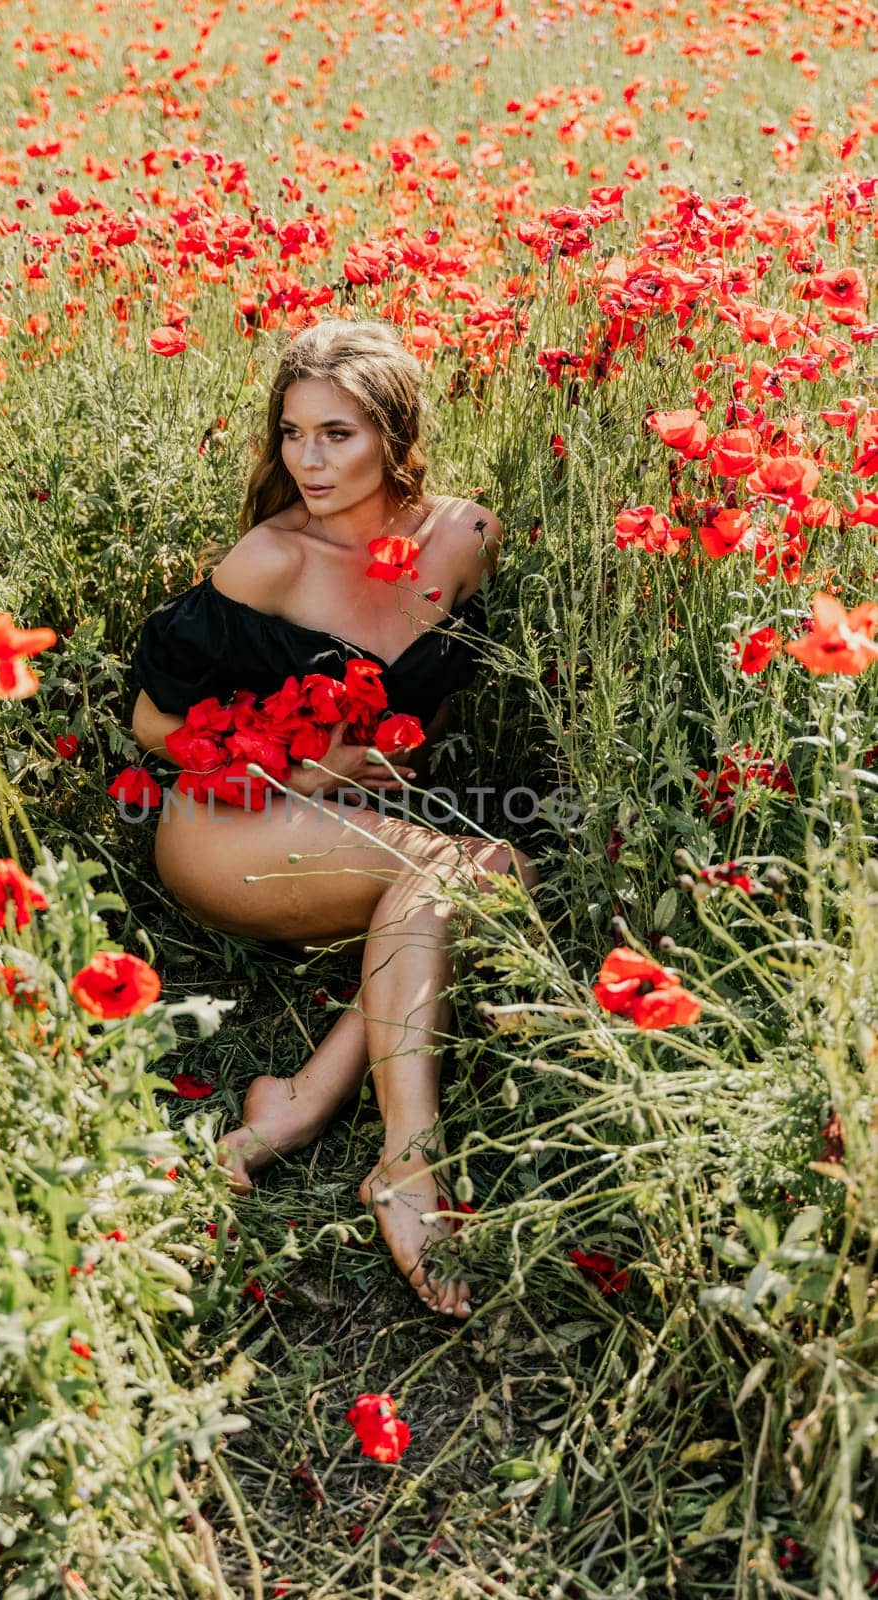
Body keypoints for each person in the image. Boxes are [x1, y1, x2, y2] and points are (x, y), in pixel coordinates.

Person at [131, 319, 536, 1319]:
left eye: (337, 434)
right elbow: (150, 720)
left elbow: (434, 701)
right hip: (229, 823)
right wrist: (312, 767)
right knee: (457, 874)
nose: (307, 460)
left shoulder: (464, 537)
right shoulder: (269, 560)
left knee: (496, 871)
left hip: (354, 829)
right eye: (291, 433)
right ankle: (408, 1162)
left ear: (396, 436)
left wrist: (385, 767)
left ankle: (297, 1100)